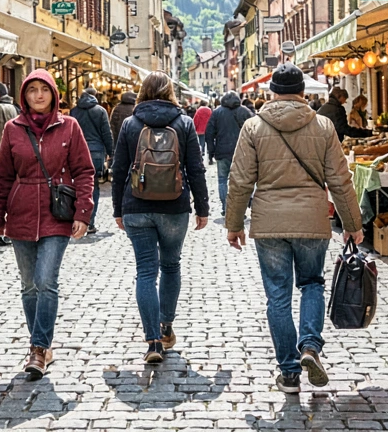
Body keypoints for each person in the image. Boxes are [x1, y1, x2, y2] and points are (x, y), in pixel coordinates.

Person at [226, 64, 364, 393]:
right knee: (312, 284)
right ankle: (311, 347)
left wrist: (233, 224)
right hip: (312, 220)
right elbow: (340, 180)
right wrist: (352, 223)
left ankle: (289, 372)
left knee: (278, 297)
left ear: (272, 91)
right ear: (304, 92)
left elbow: (240, 180)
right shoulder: (324, 126)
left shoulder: (253, 127)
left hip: (269, 223)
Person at [0, 69, 95, 380]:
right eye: (32, 90)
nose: (38, 95)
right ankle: (41, 344)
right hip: (21, 213)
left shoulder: (70, 127)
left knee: (46, 280)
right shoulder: (12, 129)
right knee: (28, 286)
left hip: (57, 214)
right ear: (24, 95)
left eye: (44, 90)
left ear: (53, 94)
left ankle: (38, 347)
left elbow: (84, 171)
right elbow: (3, 178)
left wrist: (83, 212)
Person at [112, 72, 210, 363]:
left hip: (137, 206)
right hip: (174, 206)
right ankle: (166, 327)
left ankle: (152, 341)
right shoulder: (184, 123)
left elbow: (119, 170)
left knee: (145, 272)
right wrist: (202, 208)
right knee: (170, 265)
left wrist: (118, 209)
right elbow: (196, 169)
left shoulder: (130, 123)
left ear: (142, 92)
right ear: (170, 93)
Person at [69, 87, 114, 234]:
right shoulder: (100, 111)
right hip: (95, 152)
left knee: (77, 186)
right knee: (93, 186)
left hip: (77, 151)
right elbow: (106, 133)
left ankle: (77, 219)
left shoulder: (74, 111)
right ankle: (90, 222)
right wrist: (110, 152)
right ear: (95, 96)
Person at [206, 91, 253, 215]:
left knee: (222, 180)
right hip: (242, 152)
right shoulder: (245, 111)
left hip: (222, 152)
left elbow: (209, 134)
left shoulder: (216, 113)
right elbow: (255, 131)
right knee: (241, 181)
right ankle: (240, 209)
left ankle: (226, 207)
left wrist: (211, 153)